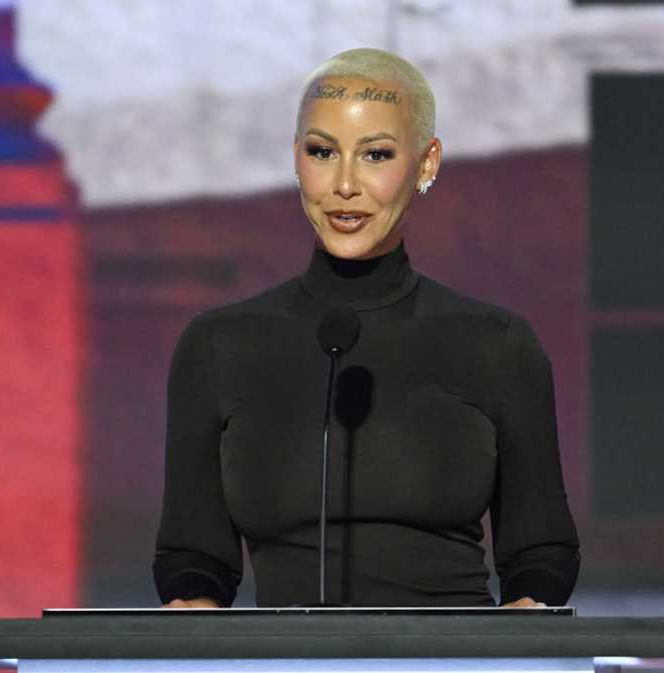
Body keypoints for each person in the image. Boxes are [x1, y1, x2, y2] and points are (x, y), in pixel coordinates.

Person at [153, 47, 579, 609]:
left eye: (376, 154)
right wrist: (195, 619)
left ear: (427, 163)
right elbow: (193, 560)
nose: (345, 184)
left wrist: (514, 645)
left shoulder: (496, 344)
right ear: (296, 158)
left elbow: (541, 555)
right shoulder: (218, 346)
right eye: (322, 152)